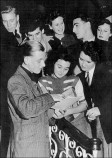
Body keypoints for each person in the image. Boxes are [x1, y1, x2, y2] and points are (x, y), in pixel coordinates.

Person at [7, 41, 63, 157]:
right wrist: (51, 97)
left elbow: (37, 115)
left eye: (44, 60)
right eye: (39, 60)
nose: (43, 64)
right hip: (26, 150)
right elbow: (27, 110)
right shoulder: (16, 80)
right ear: (27, 60)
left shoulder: (31, 80)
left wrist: (54, 112)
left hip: (37, 148)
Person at [39, 46, 92, 138]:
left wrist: (69, 111)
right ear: (52, 63)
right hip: (52, 126)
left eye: (66, 69)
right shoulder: (42, 81)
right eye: (59, 67)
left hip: (77, 123)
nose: (61, 71)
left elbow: (85, 104)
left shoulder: (75, 80)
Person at [78, 41, 112, 158]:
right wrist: (93, 112)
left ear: (96, 61)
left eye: (88, 62)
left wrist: (100, 109)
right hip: (99, 125)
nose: (83, 64)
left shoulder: (107, 73)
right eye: (81, 59)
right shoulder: (82, 76)